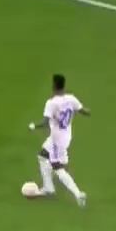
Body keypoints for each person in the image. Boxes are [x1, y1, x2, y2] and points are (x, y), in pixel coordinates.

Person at [27, 73, 89, 205]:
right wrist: (86, 112)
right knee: (43, 156)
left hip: (57, 139)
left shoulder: (52, 103)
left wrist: (33, 126)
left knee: (58, 167)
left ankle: (78, 194)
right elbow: (84, 111)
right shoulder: (71, 98)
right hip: (65, 135)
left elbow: (45, 122)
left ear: (54, 85)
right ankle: (48, 187)